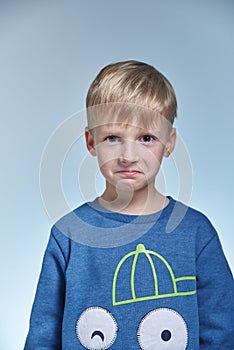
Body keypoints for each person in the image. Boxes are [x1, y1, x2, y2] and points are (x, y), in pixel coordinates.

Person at [24, 60, 234, 349]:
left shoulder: (197, 233)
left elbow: (221, 332)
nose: (128, 155)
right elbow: (42, 337)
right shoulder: (68, 234)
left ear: (169, 143)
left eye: (146, 138)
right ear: (90, 141)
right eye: (113, 138)